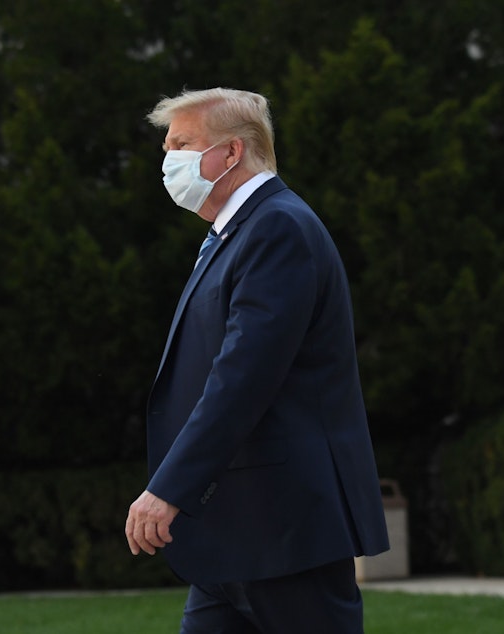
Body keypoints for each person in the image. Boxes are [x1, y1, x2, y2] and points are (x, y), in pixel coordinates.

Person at [125, 87, 389, 634]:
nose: (168, 160)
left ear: (231, 153)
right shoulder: (235, 234)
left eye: (182, 144)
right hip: (239, 532)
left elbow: (241, 379)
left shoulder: (277, 229)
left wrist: (169, 487)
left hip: (286, 528)